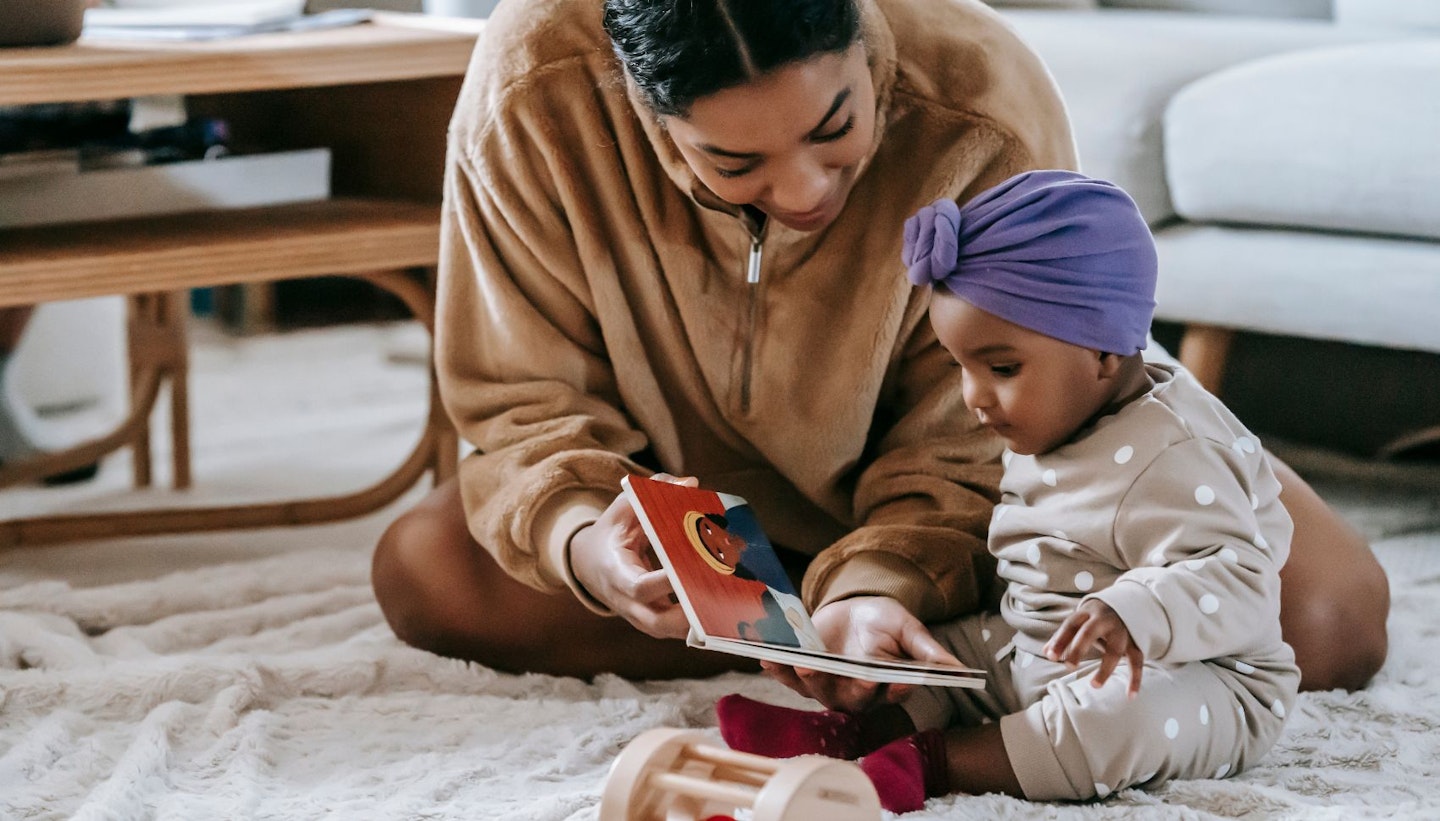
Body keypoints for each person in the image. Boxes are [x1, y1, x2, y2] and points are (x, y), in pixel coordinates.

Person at [370, 0, 1387, 697]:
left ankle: (882, 628)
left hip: (992, 499)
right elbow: (521, 404)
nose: (806, 190)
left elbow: (995, 432)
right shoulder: (532, 87)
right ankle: (892, 647)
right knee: (426, 571)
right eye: (733, 160)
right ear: (640, 102)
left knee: (1326, 612)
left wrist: (882, 582)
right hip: (702, 501)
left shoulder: (978, 91)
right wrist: (591, 545)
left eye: (836, 125)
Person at [717, 170, 1300, 811]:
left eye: (1000, 368)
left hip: (1199, 677)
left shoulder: (1178, 451)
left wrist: (1137, 610)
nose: (973, 398)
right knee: (940, 658)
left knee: (1112, 723)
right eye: (959, 366)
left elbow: (1242, 578)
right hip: (1040, 643)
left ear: (1103, 350)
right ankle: (854, 733)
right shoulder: (1057, 416)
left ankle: (931, 765)